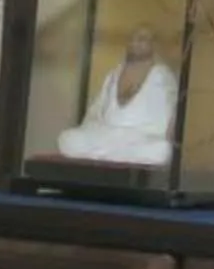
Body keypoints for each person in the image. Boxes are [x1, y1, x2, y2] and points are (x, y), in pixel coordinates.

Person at [56, 26, 178, 167]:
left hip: (140, 137)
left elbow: (173, 111)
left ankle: (104, 155)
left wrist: (168, 135)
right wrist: (90, 128)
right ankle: (112, 155)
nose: (135, 43)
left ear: (153, 45)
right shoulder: (114, 74)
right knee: (67, 139)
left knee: (161, 150)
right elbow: (96, 110)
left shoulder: (162, 75)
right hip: (109, 135)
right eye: (132, 39)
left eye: (142, 39)